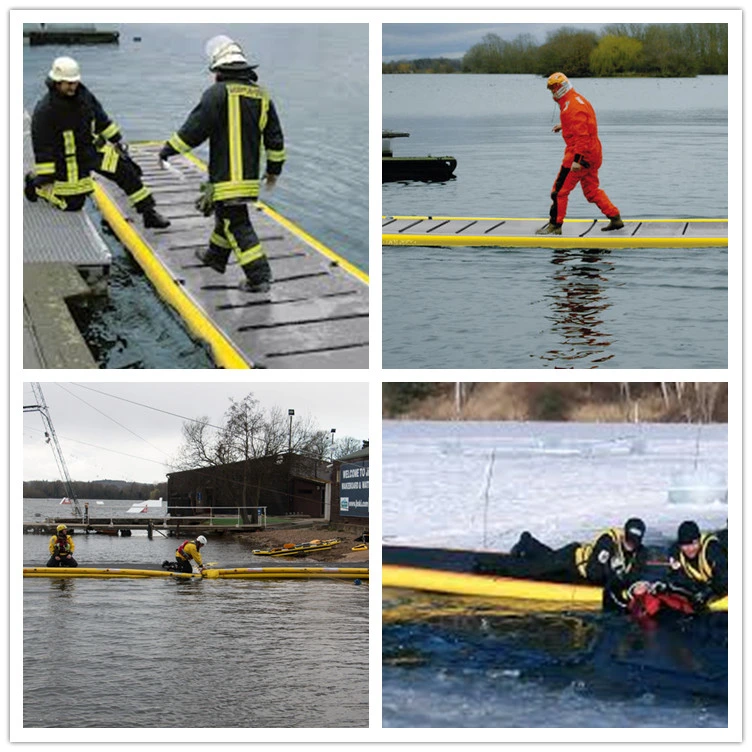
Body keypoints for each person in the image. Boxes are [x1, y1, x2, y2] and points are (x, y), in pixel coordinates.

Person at [158, 35, 285, 293]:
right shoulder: (262, 97)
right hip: (248, 179)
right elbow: (275, 139)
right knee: (227, 216)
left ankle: (259, 276)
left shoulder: (216, 94)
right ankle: (215, 257)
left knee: (236, 222)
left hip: (226, 178)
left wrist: (168, 150)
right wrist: (273, 171)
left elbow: (195, 129)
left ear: (219, 70)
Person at [25, 56, 170, 229]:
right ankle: (37, 186)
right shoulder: (45, 109)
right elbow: (42, 145)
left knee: (127, 170)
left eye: (75, 82)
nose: (72, 87)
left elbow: (101, 118)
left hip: (91, 151)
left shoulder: (84, 96)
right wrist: (45, 174)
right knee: (73, 205)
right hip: (66, 161)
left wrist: (116, 140)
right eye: (68, 83)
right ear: (57, 82)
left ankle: (149, 213)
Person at [536, 72, 623, 236]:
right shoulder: (575, 99)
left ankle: (555, 225)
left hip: (580, 154)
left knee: (559, 192)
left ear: (559, 88)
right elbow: (584, 123)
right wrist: (564, 126)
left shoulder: (572, 106)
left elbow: (582, 136)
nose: (551, 93)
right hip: (594, 153)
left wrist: (577, 160)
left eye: (552, 90)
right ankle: (615, 217)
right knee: (591, 190)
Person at [667, 520, 727, 608]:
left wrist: (708, 591)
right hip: (702, 592)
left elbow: (725, 577)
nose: (690, 549)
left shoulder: (712, 549)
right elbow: (677, 578)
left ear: (699, 540)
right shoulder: (677, 555)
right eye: (686, 545)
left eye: (694, 543)